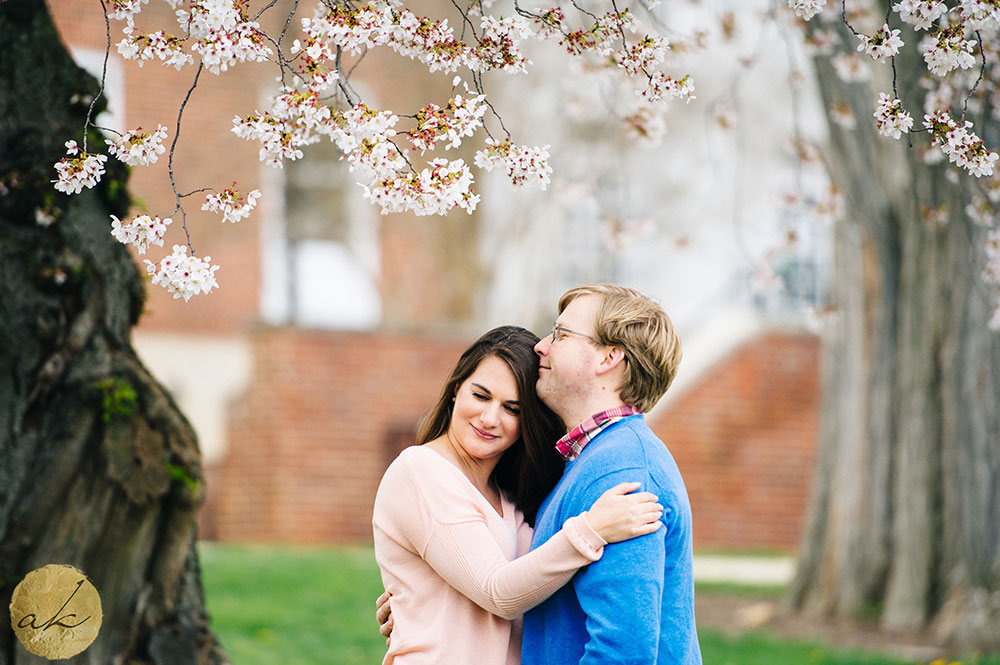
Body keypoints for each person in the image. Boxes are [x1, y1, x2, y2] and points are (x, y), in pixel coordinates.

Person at [372, 325, 664, 665]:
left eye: (512, 409)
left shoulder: (510, 495)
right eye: (481, 396)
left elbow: (535, 584)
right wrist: (592, 530)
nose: (489, 418)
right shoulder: (421, 470)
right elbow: (498, 593)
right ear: (456, 390)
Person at [522, 283, 701, 665]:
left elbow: (623, 652)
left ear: (609, 357)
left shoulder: (624, 469)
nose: (541, 345)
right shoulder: (598, 458)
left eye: (560, 334)